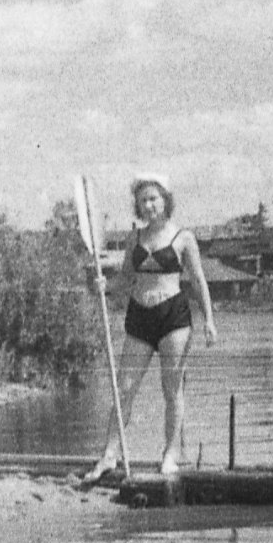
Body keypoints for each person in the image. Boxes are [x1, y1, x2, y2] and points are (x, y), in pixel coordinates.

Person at [82, 174, 218, 481]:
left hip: (173, 318)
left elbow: (198, 281)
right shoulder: (134, 239)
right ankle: (109, 455)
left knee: (172, 390)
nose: (149, 204)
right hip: (140, 315)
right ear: (138, 206)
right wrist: (104, 286)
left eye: (154, 198)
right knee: (124, 388)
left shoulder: (184, 238)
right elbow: (124, 281)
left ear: (165, 200)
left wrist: (209, 320)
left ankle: (170, 454)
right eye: (143, 200)